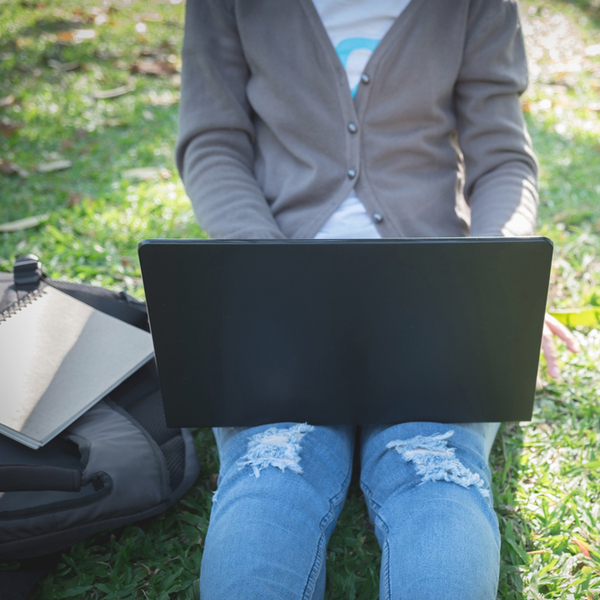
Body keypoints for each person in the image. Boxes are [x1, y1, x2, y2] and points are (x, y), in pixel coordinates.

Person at [175, 1, 579, 598]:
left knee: (437, 475)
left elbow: (503, 160)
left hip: (437, 295)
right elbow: (213, 143)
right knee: (272, 470)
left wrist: (495, 278)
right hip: (279, 284)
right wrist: (264, 271)